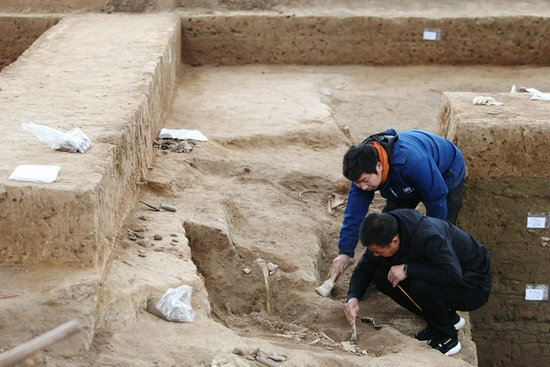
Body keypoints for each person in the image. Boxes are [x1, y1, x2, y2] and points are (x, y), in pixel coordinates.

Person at [343, 209, 491, 356]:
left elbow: (452, 274)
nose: (375, 255)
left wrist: (408, 269)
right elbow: (365, 267)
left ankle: (447, 338)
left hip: (472, 287)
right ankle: (447, 318)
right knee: (381, 275)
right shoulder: (387, 232)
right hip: (448, 278)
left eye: (379, 252)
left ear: (395, 240)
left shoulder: (429, 238)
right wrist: (353, 297)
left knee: (420, 286)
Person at [331, 128, 466, 278]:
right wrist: (345, 251)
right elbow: (354, 213)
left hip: (446, 168)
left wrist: (429, 243)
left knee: (441, 231)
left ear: (379, 166)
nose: (363, 187)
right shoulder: (361, 167)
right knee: (385, 229)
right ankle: (380, 275)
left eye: (365, 181)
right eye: (357, 182)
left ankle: (428, 276)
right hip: (402, 178)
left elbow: (436, 203)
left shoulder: (412, 163)